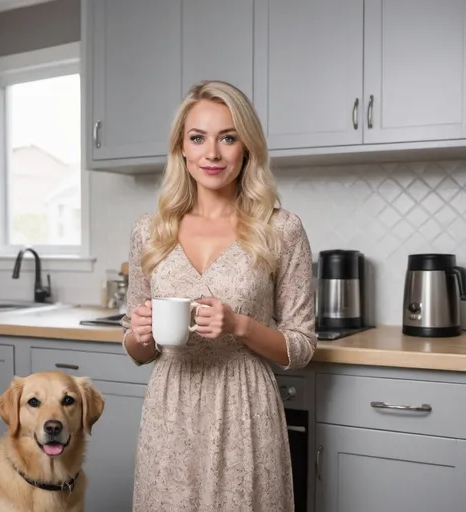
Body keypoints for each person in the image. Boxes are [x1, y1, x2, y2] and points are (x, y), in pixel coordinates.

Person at [121, 80, 316, 512]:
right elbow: (136, 351)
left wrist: (239, 325)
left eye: (227, 137)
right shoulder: (149, 232)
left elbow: (300, 347)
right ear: (182, 149)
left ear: (246, 147)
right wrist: (139, 333)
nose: (212, 153)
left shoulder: (281, 229)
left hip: (244, 405)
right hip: (170, 407)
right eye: (198, 138)